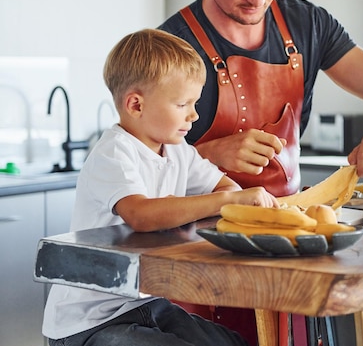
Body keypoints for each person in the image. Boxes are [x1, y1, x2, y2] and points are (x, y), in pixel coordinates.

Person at [41, 28, 280, 346]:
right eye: (183, 104)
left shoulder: (179, 150)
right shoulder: (114, 152)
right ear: (136, 105)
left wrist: (239, 201)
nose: (194, 115)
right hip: (88, 322)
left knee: (230, 342)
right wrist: (228, 201)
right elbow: (141, 214)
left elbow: (222, 186)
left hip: (142, 303)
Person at [159, 0, 363, 199]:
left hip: (287, 220)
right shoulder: (169, 47)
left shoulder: (309, 24)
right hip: (193, 230)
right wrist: (208, 154)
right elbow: (141, 165)